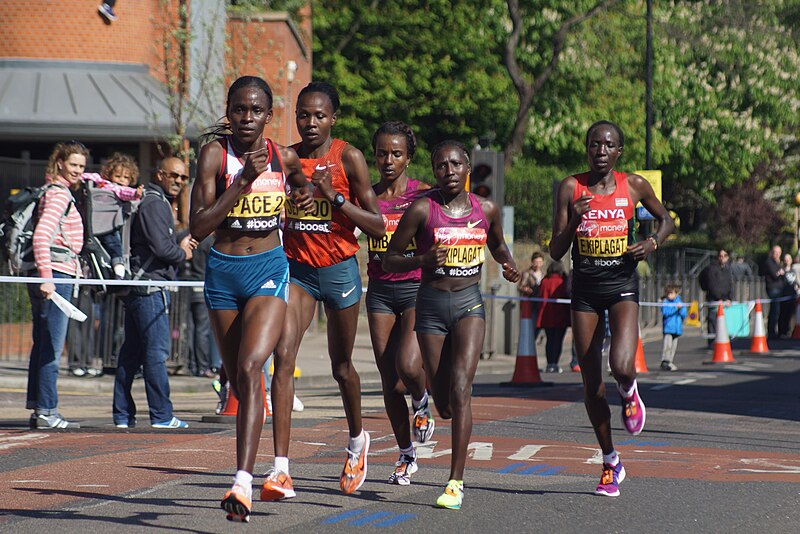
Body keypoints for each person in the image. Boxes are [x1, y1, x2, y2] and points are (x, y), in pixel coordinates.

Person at [189, 76, 309, 522]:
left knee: (250, 366)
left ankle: (244, 481)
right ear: (229, 110)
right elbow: (199, 227)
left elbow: (301, 185)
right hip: (223, 272)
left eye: (256, 110)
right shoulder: (214, 156)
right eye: (239, 109)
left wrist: (300, 195)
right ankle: (272, 471)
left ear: (268, 114)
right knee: (240, 382)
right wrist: (243, 182)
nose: (246, 118)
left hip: (268, 268)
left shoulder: (283, 155)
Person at [383, 139, 519, 510]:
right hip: (430, 307)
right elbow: (390, 260)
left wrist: (508, 265)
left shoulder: (485, 209)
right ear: (435, 171)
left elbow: (498, 246)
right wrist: (422, 258)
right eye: (441, 166)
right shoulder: (422, 211)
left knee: (462, 387)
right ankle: (431, 402)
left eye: (456, 164)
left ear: (468, 168)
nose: (449, 172)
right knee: (444, 403)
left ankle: (455, 482)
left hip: (469, 304)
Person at [268, 81, 385, 500]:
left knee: (341, 368)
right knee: (283, 358)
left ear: (333, 118)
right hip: (298, 270)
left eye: (319, 115)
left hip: (339, 270)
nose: (310, 122)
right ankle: (280, 468)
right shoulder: (284, 157)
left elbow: (377, 225)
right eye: (303, 114)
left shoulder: (348, 157)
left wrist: (333, 197)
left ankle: (357, 441)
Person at [549, 120, 674, 498]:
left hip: (622, 286)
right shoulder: (571, 187)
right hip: (585, 292)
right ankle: (610, 462)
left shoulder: (633, 185)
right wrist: (575, 220)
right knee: (591, 386)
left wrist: (651, 243)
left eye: (608, 145)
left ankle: (630, 388)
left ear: (619, 151)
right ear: (586, 149)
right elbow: (556, 250)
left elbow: (667, 221)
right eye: (594, 145)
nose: (600, 151)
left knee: (621, 364)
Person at [366, 121, 433, 486]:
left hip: (415, 289)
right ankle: (407, 455)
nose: (388, 160)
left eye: (396, 154)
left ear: (408, 157)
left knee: (408, 365)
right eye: (381, 153)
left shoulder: (424, 194)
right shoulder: (369, 196)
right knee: (389, 382)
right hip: (378, 291)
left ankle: (422, 401)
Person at [112, 157, 194, 431]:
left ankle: (123, 415)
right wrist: (183, 252)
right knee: (156, 353)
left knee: (132, 352)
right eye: (174, 175)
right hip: (149, 288)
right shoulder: (155, 203)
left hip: (138, 285)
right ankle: (161, 415)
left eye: (183, 178)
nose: (179, 181)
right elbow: (162, 249)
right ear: (160, 174)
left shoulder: (149, 201)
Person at [27, 141, 87, 429]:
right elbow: (41, 236)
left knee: (42, 344)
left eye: (82, 166)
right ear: (60, 162)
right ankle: (48, 409)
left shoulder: (49, 190)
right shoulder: (59, 196)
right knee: (51, 346)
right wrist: (48, 276)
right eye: (73, 164)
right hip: (56, 275)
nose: (78, 171)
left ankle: (39, 407)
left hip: (48, 273)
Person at [83, 152, 143, 279]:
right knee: (112, 245)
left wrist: (136, 194)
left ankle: (118, 268)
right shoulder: (106, 184)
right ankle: (116, 267)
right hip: (100, 222)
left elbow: (126, 192)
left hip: (107, 224)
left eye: (126, 178)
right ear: (109, 174)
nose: (121, 180)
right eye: (118, 176)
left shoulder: (118, 189)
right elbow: (93, 176)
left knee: (114, 245)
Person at [536, 261, 570, 373]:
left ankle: (549, 363)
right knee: (558, 341)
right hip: (561, 315)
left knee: (549, 340)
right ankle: (555, 363)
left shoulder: (545, 281)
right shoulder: (562, 282)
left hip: (547, 315)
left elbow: (540, 295)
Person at [698, 250, 733, 346]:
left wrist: (729, 298)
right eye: (720, 256)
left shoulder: (727, 269)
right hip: (714, 299)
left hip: (725, 300)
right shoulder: (711, 269)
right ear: (717, 257)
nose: (722, 258)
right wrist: (718, 298)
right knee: (713, 320)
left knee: (724, 321)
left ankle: (723, 340)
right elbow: (711, 284)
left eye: (725, 255)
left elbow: (730, 284)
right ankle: (712, 342)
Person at [518, 252, 544, 349]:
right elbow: (520, 286)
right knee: (531, 326)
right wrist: (529, 290)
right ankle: (529, 344)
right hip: (530, 304)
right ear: (532, 262)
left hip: (540, 303)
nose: (537, 264)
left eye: (540, 262)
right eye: (536, 262)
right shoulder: (527, 273)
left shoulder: (543, 274)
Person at [660, 284, 687, 371]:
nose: (669, 296)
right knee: (667, 345)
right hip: (668, 328)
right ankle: (665, 360)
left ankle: (670, 361)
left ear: (676, 294)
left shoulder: (680, 302)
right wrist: (675, 308)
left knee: (673, 346)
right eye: (668, 294)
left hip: (677, 329)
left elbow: (684, 314)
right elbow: (665, 313)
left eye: (671, 293)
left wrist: (681, 308)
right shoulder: (665, 302)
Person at [763, 245, 784, 339]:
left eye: (778, 252)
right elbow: (775, 275)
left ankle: (778, 331)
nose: (776, 254)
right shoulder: (769, 262)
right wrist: (780, 272)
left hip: (780, 289)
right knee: (774, 310)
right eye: (775, 252)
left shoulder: (779, 263)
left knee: (778, 311)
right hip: (773, 288)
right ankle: (771, 332)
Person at [779, 253, 798, 336]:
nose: (787, 261)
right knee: (784, 314)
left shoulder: (793, 270)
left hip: (792, 295)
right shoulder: (782, 270)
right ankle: (782, 331)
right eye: (785, 259)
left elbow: (795, 281)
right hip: (784, 295)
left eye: (788, 259)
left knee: (791, 314)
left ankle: (789, 331)